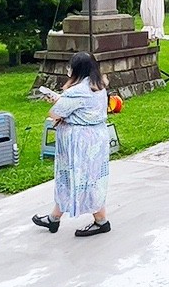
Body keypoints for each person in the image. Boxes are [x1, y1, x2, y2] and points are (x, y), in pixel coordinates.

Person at [33, 52, 112, 237]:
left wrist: (56, 101)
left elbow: (56, 114)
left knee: (77, 178)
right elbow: (80, 107)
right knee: (87, 178)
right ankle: (54, 218)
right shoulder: (99, 86)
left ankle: (101, 221)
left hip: (80, 142)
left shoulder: (75, 91)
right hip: (96, 138)